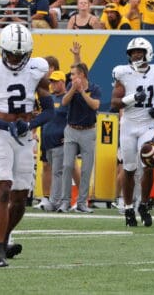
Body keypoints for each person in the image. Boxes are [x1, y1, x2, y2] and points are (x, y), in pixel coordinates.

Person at [0, 23, 54, 267]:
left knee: (20, 198)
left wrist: (29, 126)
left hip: (24, 135)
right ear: (2, 51)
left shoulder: (37, 69)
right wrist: (4, 126)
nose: (15, 58)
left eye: (20, 54)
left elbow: (49, 110)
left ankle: (4, 238)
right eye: (10, 53)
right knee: (3, 189)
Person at [110, 37, 154, 227]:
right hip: (128, 125)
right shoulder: (123, 73)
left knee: (149, 164)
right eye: (133, 52)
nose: (135, 55)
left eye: (139, 52)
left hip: (148, 124)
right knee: (129, 168)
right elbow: (114, 104)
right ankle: (128, 208)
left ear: (147, 53)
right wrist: (133, 98)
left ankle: (143, 204)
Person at [58, 62, 101, 213]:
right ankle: (65, 201)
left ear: (82, 75)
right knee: (67, 165)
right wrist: (73, 90)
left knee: (86, 168)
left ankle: (82, 203)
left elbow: (95, 105)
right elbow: (64, 101)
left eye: (74, 74)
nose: (71, 77)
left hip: (88, 131)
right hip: (71, 129)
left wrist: (82, 92)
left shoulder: (94, 88)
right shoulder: (71, 87)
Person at [39, 70, 68, 211]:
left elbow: (73, 119)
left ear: (63, 82)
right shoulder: (49, 98)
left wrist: (69, 136)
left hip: (59, 141)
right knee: (53, 171)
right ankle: (57, 200)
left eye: (56, 81)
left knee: (58, 172)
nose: (53, 84)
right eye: (52, 81)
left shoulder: (67, 99)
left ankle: (55, 202)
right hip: (47, 142)